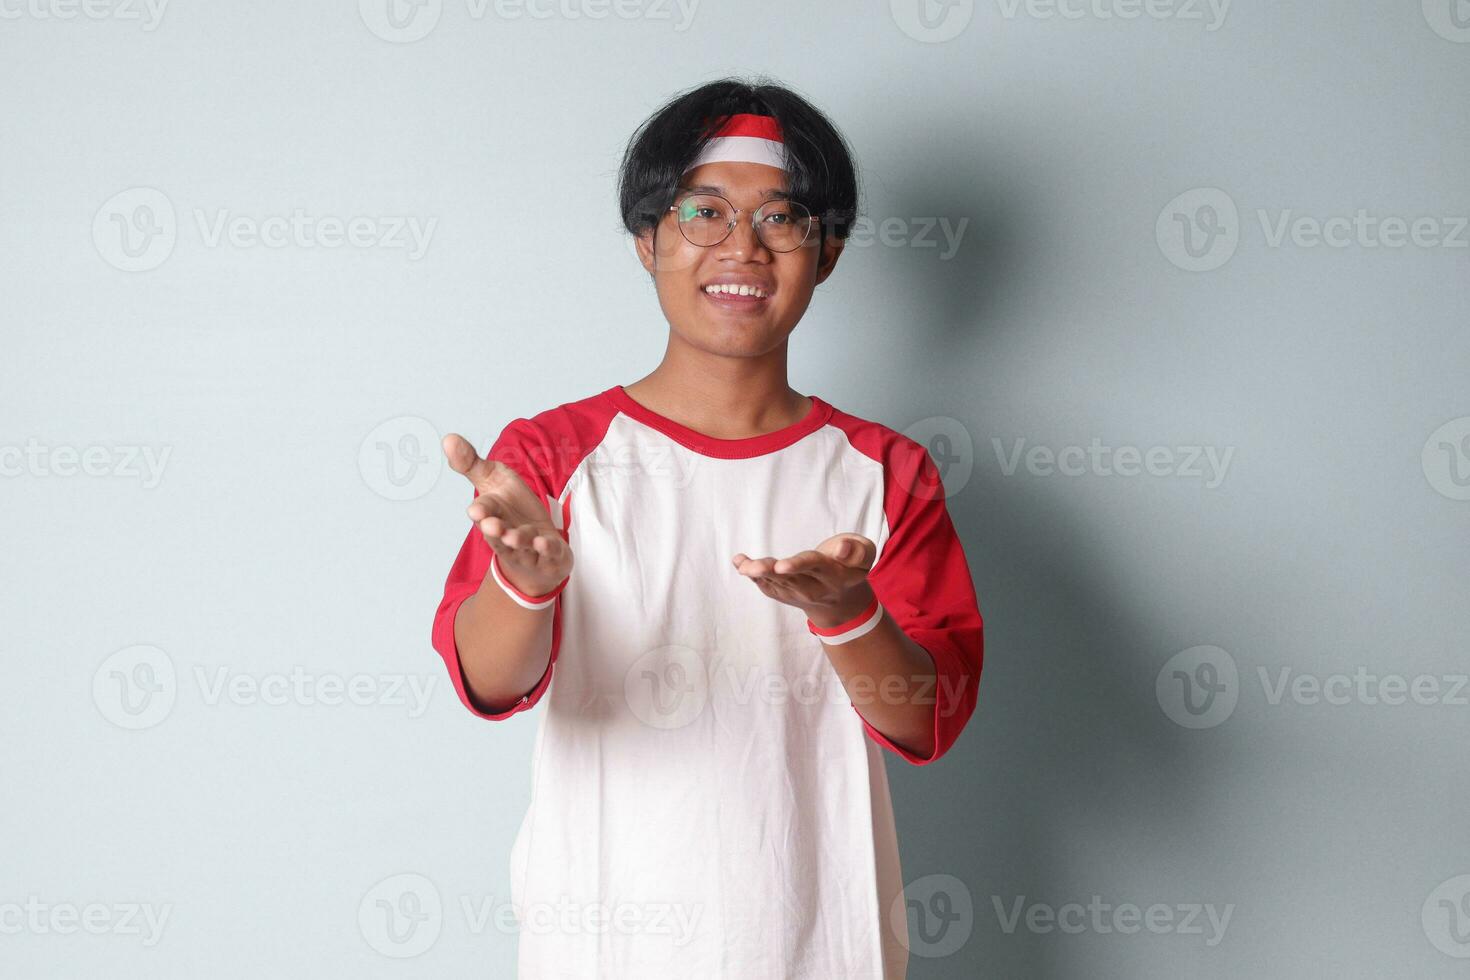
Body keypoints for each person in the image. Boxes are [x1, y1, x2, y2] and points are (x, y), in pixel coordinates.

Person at [431, 76, 985, 979]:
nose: (743, 248)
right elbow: (489, 682)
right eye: (704, 213)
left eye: (783, 218)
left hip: (824, 949)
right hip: (601, 949)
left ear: (830, 250)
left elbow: (926, 721)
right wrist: (525, 585)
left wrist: (849, 614)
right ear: (647, 241)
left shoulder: (886, 473)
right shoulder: (551, 455)